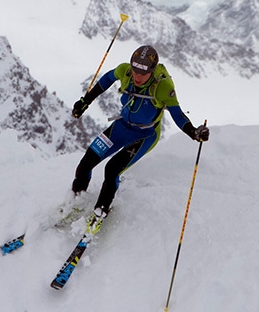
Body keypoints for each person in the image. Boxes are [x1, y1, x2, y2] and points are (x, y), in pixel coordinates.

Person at [70, 45, 209, 220]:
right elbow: (106, 79)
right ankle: (76, 202)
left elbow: (178, 115)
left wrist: (194, 132)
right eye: (135, 71)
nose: (137, 76)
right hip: (121, 127)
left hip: (145, 135)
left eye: (142, 74)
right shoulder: (125, 71)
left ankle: (100, 213)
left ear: (151, 71)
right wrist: (85, 101)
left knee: (112, 169)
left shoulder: (163, 87)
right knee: (86, 163)